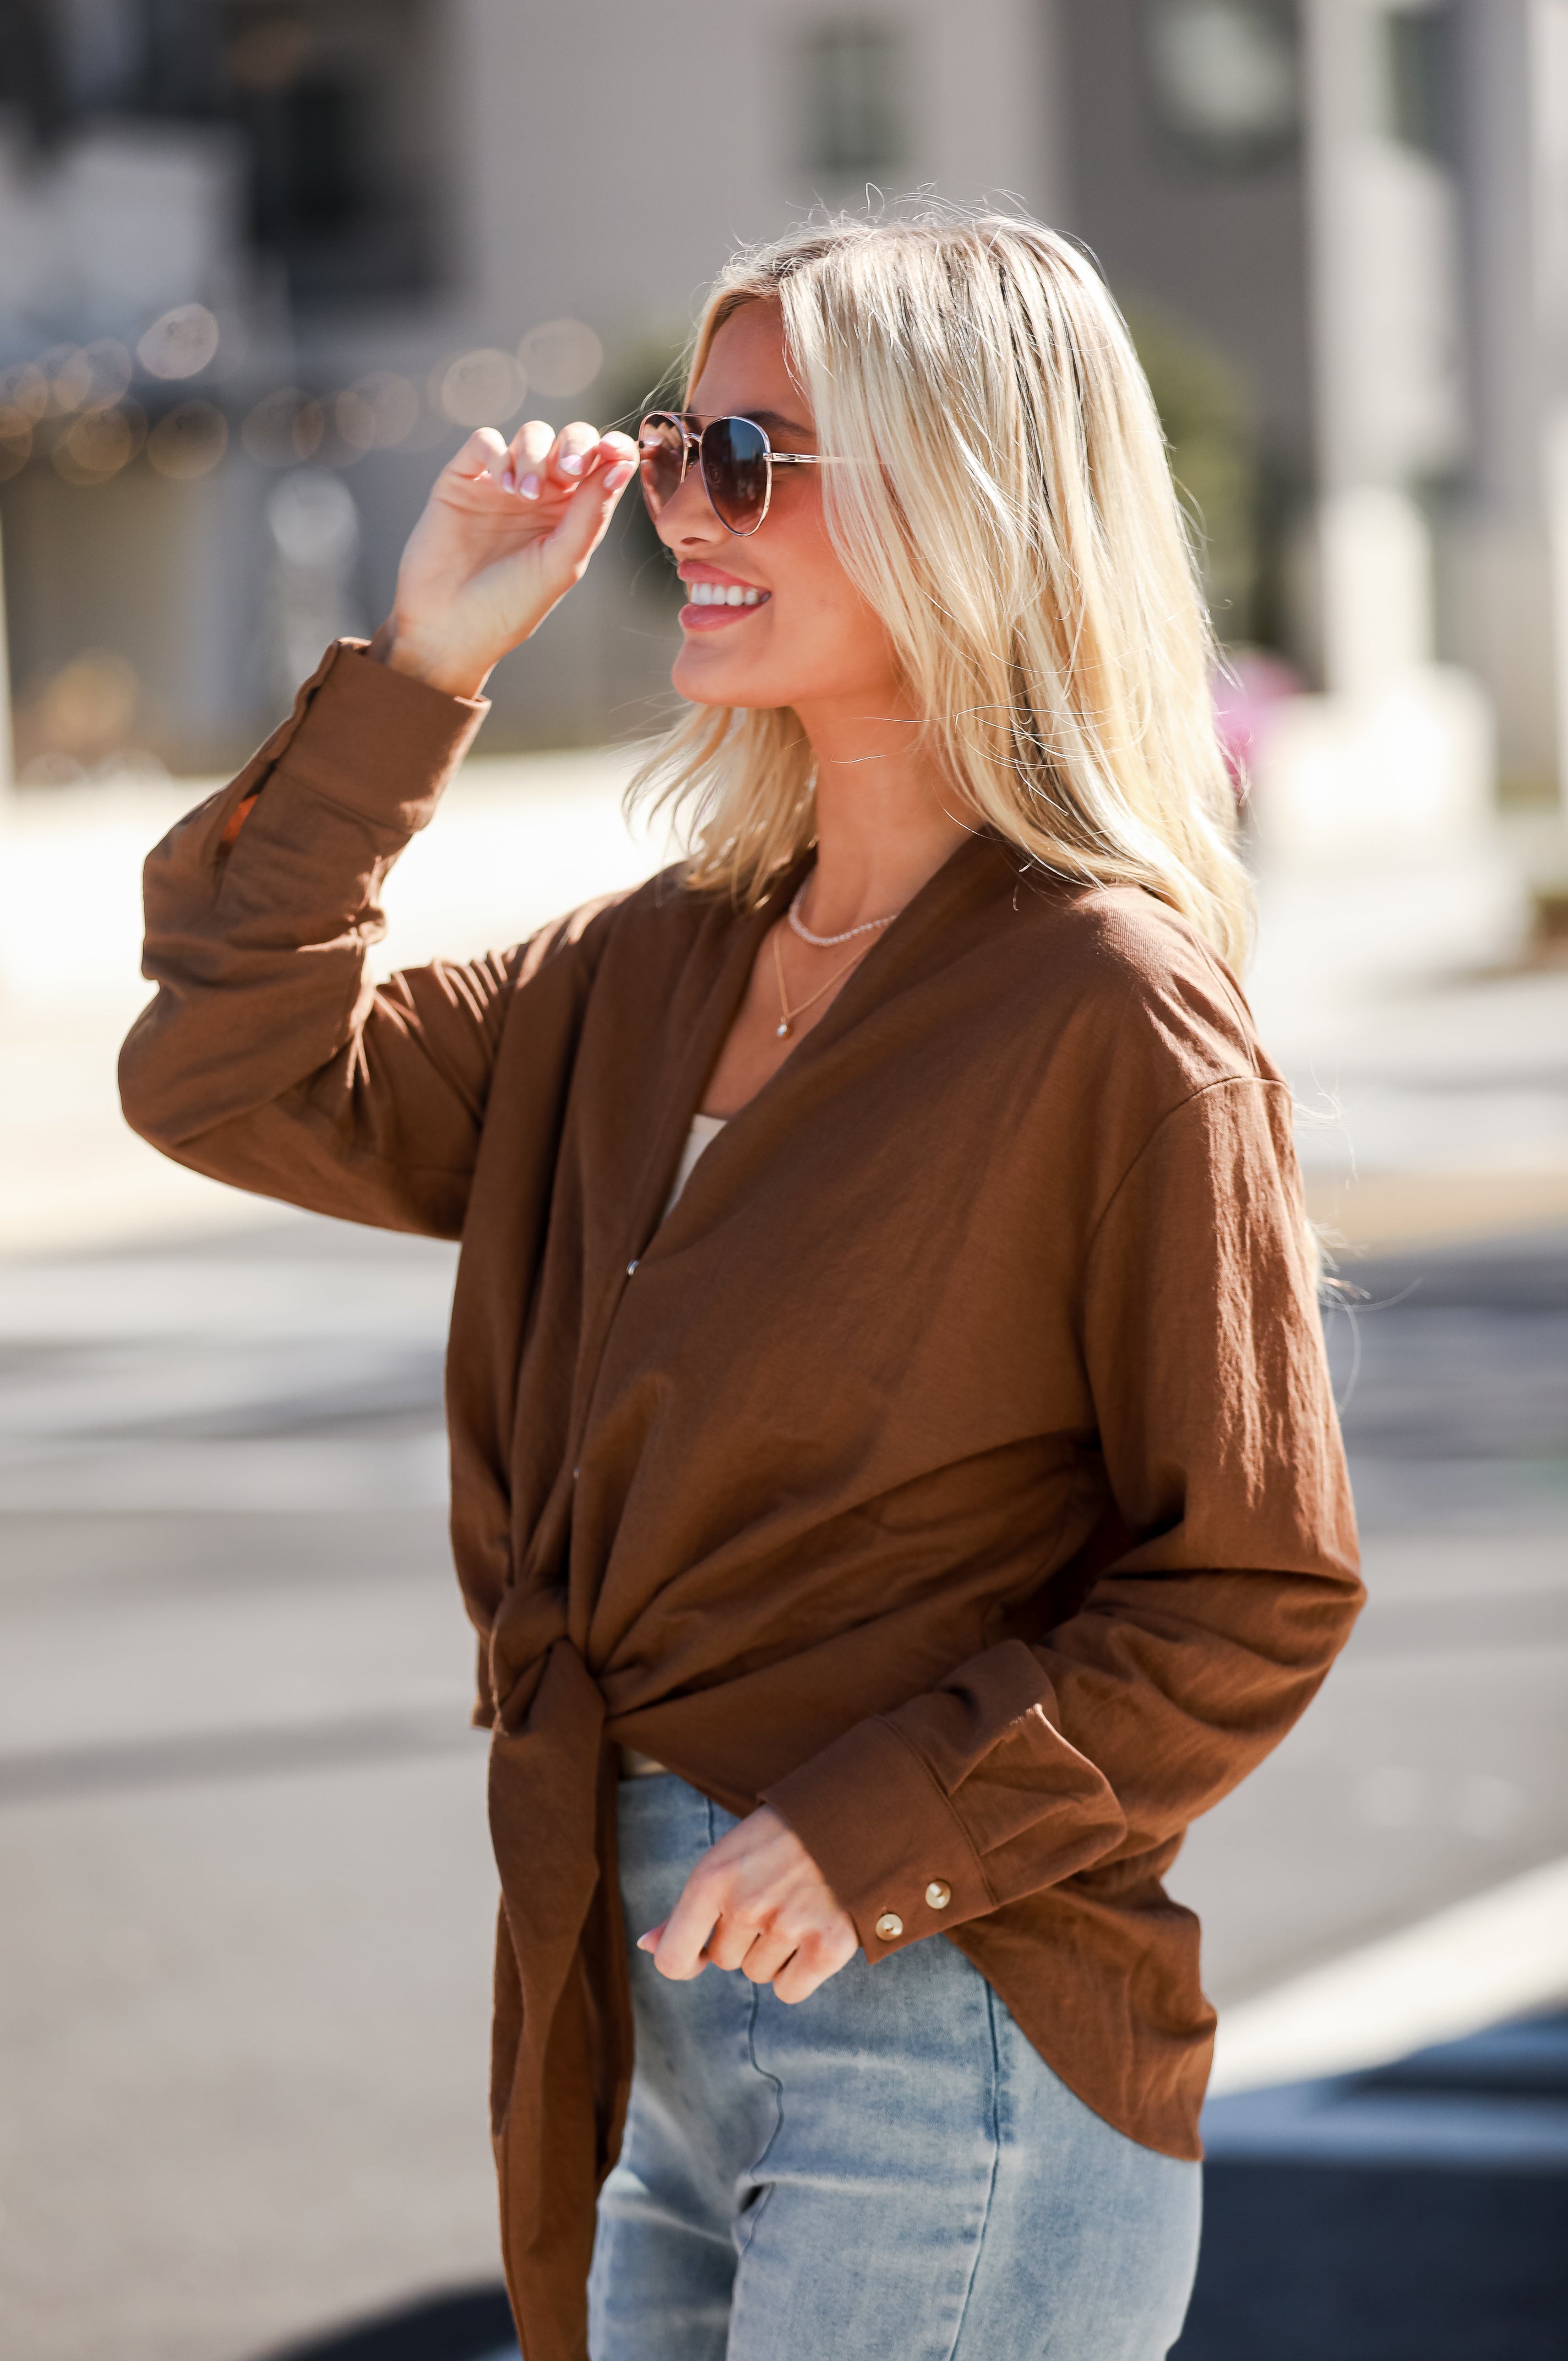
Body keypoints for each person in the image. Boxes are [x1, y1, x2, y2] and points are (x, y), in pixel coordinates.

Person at [121, 210, 1362, 2361]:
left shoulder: (1110, 1009)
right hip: (649, 2048)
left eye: (754, 459)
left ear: (965, 501)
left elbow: (1250, 1587)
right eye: (678, 448)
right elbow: (221, 1075)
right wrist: (421, 671)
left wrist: (886, 1827)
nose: (686, 509)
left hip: (946, 2040)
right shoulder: (643, 969)